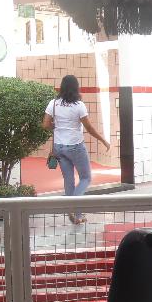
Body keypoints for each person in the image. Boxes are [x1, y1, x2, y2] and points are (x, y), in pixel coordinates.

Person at [42, 74, 110, 224]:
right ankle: (74, 206)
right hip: (75, 146)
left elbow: (45, 124)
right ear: (75, 87)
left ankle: (76, 215)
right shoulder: (79, 105)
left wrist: (58, 127)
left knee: (69, 179)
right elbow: (89, 128)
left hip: (59, 147)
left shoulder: (53, 103)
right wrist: (103, 140)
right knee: (86, 178)